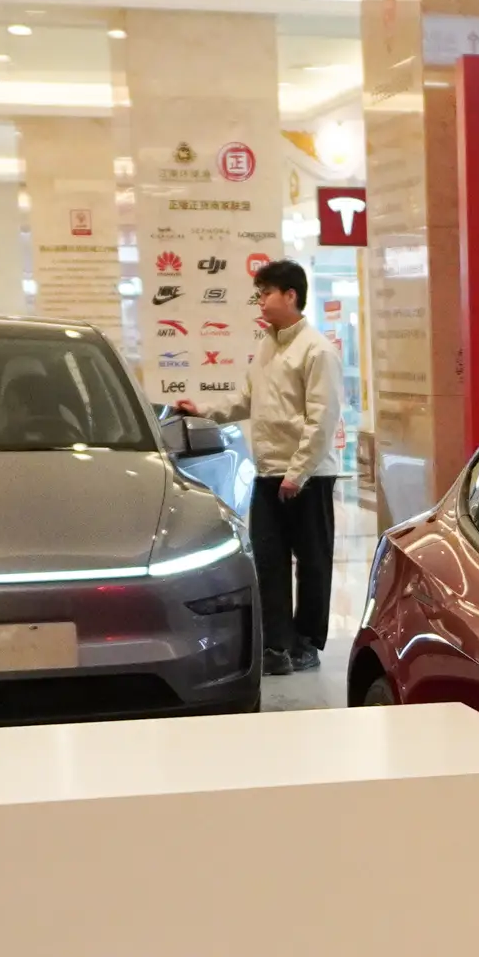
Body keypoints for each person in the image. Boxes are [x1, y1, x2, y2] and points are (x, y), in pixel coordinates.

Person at [197, 260, 343, 673]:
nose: (260, 301)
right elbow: (244, 400)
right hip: (267, 473)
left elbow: (322, 419)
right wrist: (203, 412)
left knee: (313, 563)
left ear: (291, 295)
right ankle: (276, 646)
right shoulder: (266, 347)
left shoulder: (317, 350)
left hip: (308, 476)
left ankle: (308, 642)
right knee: (269, 561)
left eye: (266, 293)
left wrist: (297, 473)